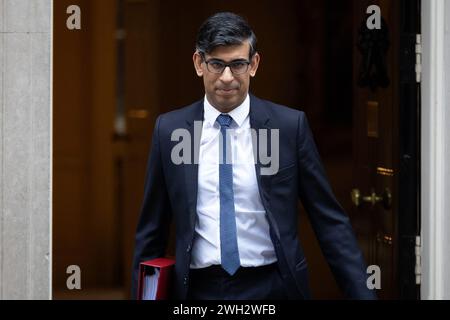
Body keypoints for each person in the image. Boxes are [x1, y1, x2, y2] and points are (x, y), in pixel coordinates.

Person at [131, 12, 377, 300]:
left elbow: (329, 221)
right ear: (199, 63)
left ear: (254, 64)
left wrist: (363, 295)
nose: (227, 77)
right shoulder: (170, 130)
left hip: (273, 287)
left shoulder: (288, 127)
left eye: (237, 64)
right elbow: (151, 230)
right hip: (198, 290)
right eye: (216, 64)